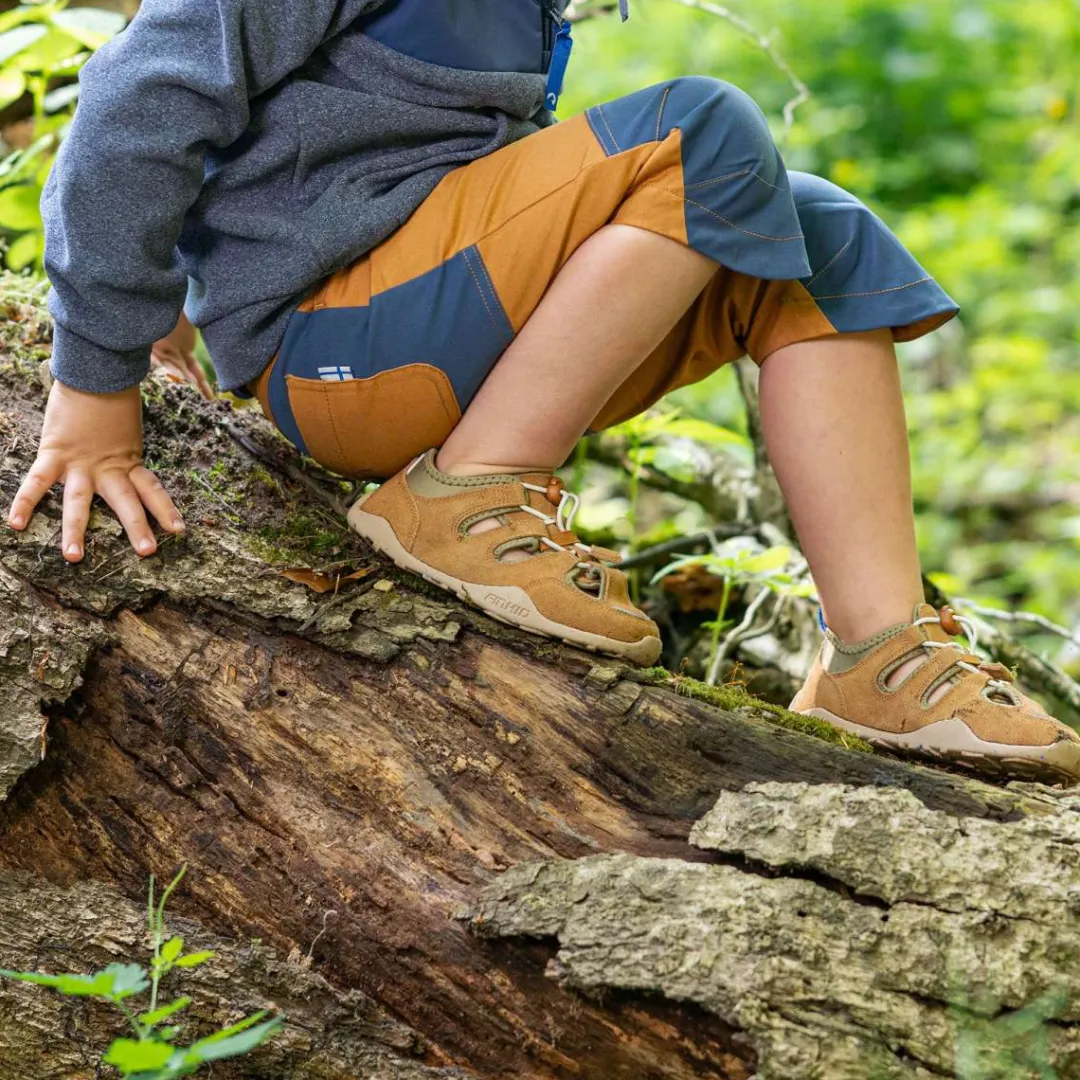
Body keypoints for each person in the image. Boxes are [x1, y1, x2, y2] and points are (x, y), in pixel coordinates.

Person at [8, 0, 1079, 782]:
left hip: (431, 326)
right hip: (342, 354)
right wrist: (102, 372)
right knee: (701, 130)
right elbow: (133, 104)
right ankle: (470, 494)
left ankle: (878, 656)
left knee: (819, 234)